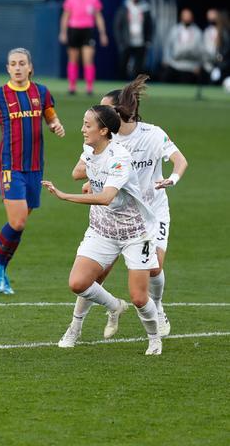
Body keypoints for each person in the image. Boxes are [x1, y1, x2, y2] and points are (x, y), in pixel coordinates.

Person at [60, 75, 188, 345]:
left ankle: (158, 307)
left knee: (154, 269)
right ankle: (75, 327)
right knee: (95, 276)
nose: (100, 113)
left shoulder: (152, 135)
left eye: (105, 108)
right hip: (112, 216)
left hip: (150, 211)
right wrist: (96, 178)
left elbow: (180, 160)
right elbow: (79, 171)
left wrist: (172, 179)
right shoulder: (104, 138)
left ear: (120, 111)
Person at [41, 104, 162, 356]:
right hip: (102, 229)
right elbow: (87, 174)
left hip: (134, 233)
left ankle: (154, 338)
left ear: (104, 130)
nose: (82, 129)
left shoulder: (120, 157)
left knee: (140, 298)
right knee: (77, 283)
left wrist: (65, 196)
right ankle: (114, 306)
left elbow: (107, 197)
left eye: (88, 125)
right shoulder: (89, 149)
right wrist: (89, 182)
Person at [0, 48, 65, 295]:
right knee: (18, 220)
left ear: (30, 67)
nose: (17, 67)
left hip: (35, 167)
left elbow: (50, 116)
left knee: (21, 223)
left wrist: (55, 124)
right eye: (13, 64)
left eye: (22, 63)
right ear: (7, 68)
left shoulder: (42, 92)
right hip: (9, 166)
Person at [59, 0, 108, 95]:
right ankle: (72, 87)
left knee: (88, 59)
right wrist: (63, 32)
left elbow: (98, 16)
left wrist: (103, 33)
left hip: (87, 31)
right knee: (73, 59)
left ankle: (89, 87)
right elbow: (65, 16)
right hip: (74, 30)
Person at [113, 0, 152, 80]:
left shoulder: (145, 8)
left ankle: (136, 88)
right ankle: (122, 88)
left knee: (139, 67)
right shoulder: (124, 8)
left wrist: (148, 40)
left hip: (141, 42)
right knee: (123, 65)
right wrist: (120, 41)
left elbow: (150, 25)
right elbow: (117, 26)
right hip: (127, 42)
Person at [162, 8, 203, 84]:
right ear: (181, 17)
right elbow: (168, 45)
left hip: (190, 66)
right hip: (175, 64)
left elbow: (201, 50)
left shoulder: (197, 32)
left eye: (188, 16)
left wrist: (198, 65)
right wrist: (166, 59)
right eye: (185, 16)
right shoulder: (175, 30)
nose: (187, 18)